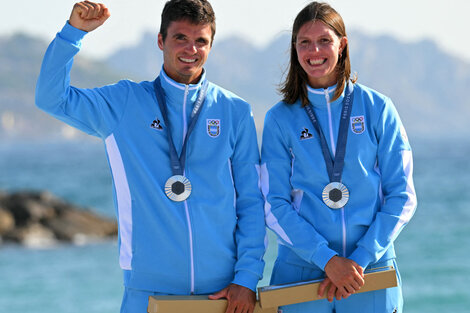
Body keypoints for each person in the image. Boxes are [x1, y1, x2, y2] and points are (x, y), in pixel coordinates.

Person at [35, 1, 266, 312]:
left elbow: (251, 201)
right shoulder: (124, 103)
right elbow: (51, 98)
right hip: (147, 294)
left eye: (201, 41)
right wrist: (72, 33)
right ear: (161, 41)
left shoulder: (234, 111)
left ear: (211, 45)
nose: (191, 49)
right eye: (180, 38)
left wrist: (247, 279)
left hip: (220, 294)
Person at [260, 2, 417, 312]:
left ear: (342, 45)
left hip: (369, 273)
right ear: (295, 48)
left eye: (324, 41)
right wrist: (327, 259)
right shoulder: (279, 119)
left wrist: (357, 261)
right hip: (301, 272)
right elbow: (273, 203)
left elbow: (403, 196)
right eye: (305, 42)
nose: (314, 50)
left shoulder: (378, 108)